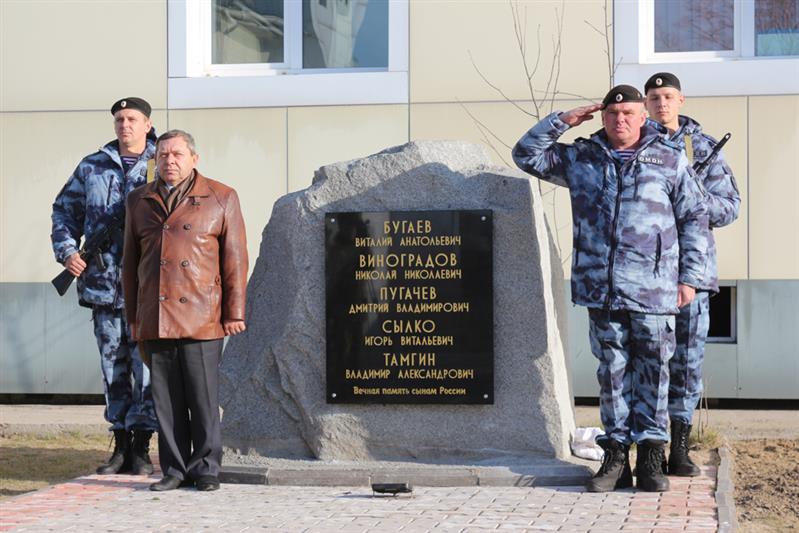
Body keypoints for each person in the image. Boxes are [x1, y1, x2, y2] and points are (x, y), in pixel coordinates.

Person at [512, 85, 709, 492]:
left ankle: (652, 457)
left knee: (654, 373)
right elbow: (525, 155)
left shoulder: (669, 159)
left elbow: (694, 218)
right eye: (612, 113)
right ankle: (616, 458)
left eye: (628, 113)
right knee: (612, 374)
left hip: (654, 290)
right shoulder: (583, 157)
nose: (620, 120)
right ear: (603, 116)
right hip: (601, 287)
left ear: (643, 117)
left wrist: (690, 278)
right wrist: (562, 121)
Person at [122, 129, 248, 492]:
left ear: (194, 158)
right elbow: (129, 266)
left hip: (202, 316)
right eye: (162, 155)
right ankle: (174, 470)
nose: (169, 161)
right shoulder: (138, 201)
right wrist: (134, 317)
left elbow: (235, 260)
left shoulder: (221, 197)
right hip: (155, 316)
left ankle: (206, 469)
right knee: (167, 401)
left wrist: (234, 311)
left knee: (203, 398)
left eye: (177, 155)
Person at [51, 97, 158, 476]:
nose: (124, 125)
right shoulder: (92, 166)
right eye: (118, 119)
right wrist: (67, 252)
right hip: (104, 286)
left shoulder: (164, 163)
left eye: (132, 119)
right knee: (112, 366)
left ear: (147, 124)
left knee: (146, 370)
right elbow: (64, 210)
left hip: (149, 290)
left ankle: (144, 446)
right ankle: (121, 444)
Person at [644, 72, 740, 476]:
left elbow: (730, 206)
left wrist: (693, 196)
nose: (661, 104)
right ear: (645, 104)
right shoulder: (634, 145)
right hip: (645, 274)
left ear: (680, 100)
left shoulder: (702, 147)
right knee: (648, 361)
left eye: (667, 96)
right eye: (654, 98)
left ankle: (680, 447)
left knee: (686, 361)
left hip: (692, 273)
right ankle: (649, 446)